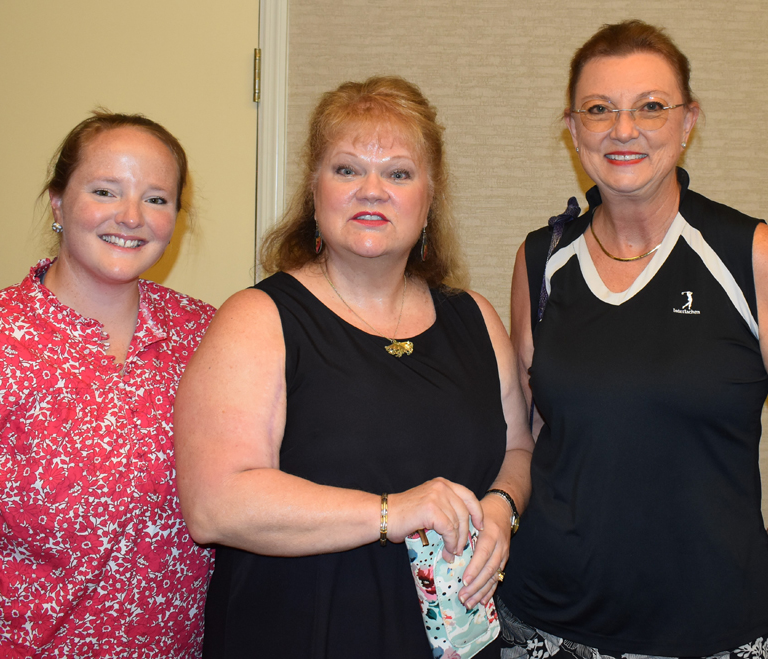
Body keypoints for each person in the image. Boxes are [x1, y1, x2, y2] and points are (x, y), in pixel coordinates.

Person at [499, 20, 768, 659]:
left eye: (651, 107)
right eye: (599, 109)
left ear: (688, 121)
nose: (624, 130)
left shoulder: (749, 254)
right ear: (573, 128)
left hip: (708, 633)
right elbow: (532, 433)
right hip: (545, 622)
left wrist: (762, 559)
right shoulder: (542, 259)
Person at [173, 76, 533, 659]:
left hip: (456, 640)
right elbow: (216, 507)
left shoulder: (476, 317)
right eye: (347, 170)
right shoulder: (258, 319)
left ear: (430, 198)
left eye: (398, 173)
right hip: (301, 634)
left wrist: (502, 507)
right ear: (314, 191)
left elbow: (518, 449)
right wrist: (393, 512)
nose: (372, 191)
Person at [0, 111, 215, 658]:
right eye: (105, 191)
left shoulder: (208, 337)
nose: (131, 216)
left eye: (156, 199)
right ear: (58, 203)